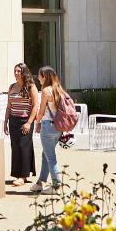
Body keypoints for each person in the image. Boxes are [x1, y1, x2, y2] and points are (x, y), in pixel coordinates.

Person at [30, 65, 66, 193]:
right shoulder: (59, 89)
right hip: (58, 128)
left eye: (39, 76)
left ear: (44, 76)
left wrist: (37, 123)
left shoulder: (46, 91)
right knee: (46, 153)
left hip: (48, 126)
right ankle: (40, 182)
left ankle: (56, 186)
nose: (38, 78)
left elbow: (41, 112)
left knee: (50, 156)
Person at [3, 63, 38, 186]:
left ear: (24, 72)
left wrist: (29, 122)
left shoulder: (31, 87)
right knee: (15, 147)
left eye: (19, 71)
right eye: (15, 71)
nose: (16, 73)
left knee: (24, 146)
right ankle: (19, 174)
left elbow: (35, 106)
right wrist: (5, 121)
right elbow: (9, 106)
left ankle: (23, 176)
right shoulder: (12, 87)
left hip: (25, 121)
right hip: (13, 120)